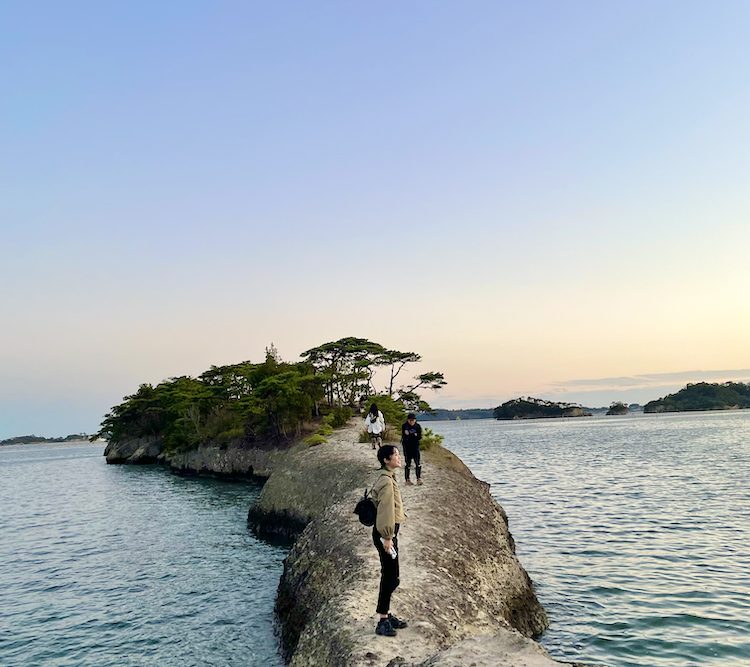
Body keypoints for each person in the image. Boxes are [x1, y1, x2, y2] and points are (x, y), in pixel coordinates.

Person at [371, 444, 408, 637]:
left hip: (387, 534)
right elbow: (385, 511)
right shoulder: (386, 481)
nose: (399, 457)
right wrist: (387, 537)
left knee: (392, 575)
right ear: (386, 460)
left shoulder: (388, 477)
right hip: (385, 534)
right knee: (390, 576)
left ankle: (385, 613)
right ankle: (383, 620)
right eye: (396, 455)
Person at [401, 412, 423, 486]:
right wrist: (413, 435)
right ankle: (407, 480)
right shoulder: (405, 426)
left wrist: (412, 435)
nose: (412, 422)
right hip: (407, 447)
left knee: (418, 463)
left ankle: (418, 479)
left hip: (415, 446)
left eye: (413, 420)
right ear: (408, 420)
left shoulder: (417, 426)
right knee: (408, 463)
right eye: (410, 420)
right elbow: (405, 435)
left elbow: (419, 436)